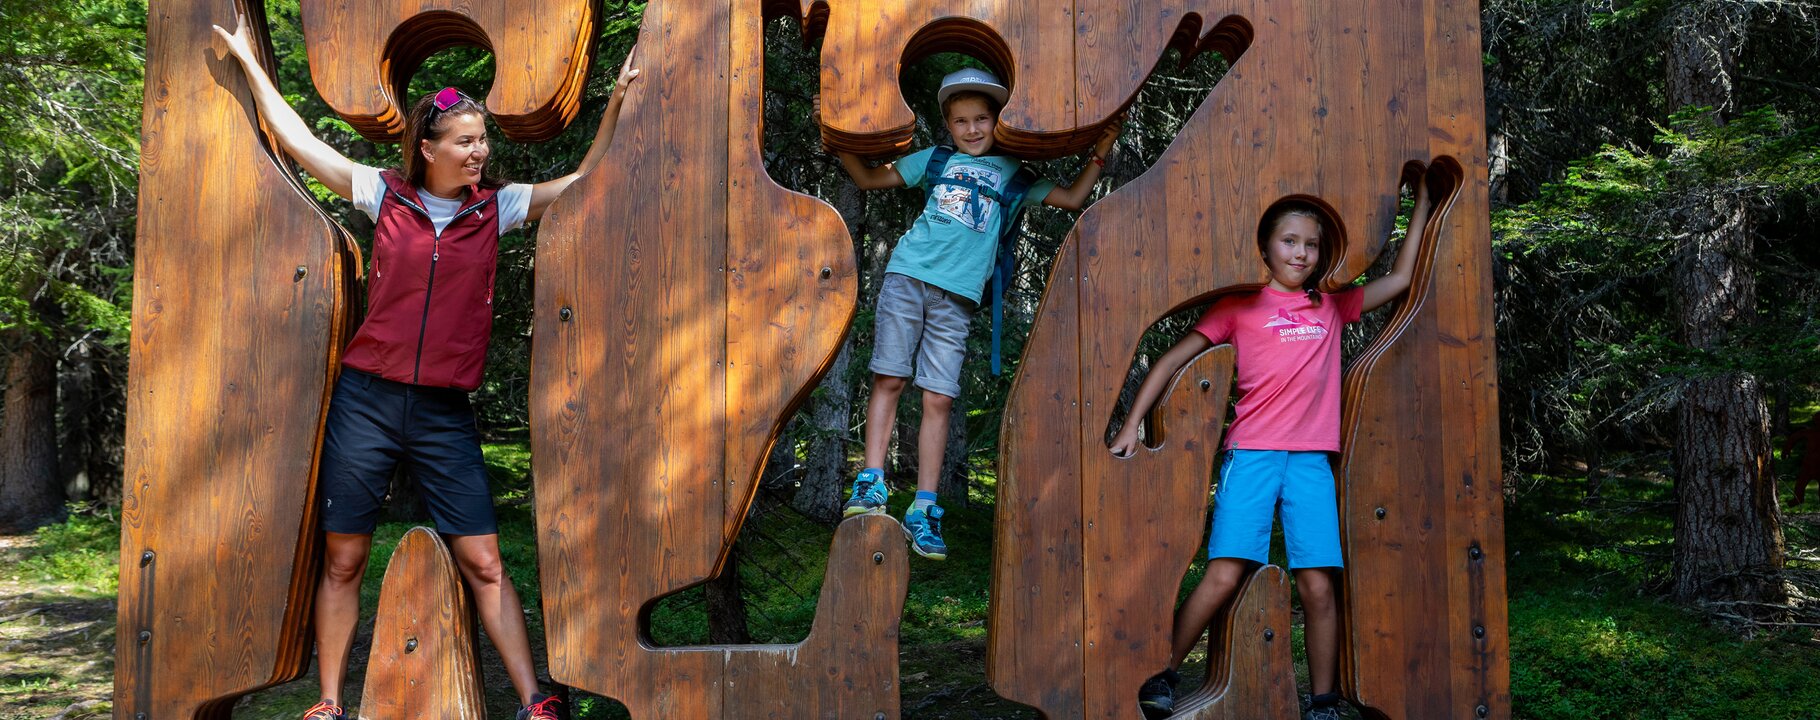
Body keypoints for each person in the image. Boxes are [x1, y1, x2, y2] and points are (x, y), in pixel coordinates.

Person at [212, 13, 638, 720]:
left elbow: (589, 181)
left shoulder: (496, 209)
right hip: (367, 401)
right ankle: (327, 703)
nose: (480, 151)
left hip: (442, 412)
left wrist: (618, 103)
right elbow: (297, 138)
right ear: (429, 146)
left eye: (483, 141)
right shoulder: (386, 196)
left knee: (485, 562)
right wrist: (248, 63)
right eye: (467, 141)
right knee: (344, 558)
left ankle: (536, 702)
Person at [1115, 177, 1438, 719]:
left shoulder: (1332, 305)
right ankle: (1163, 673)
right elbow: (1169, 360)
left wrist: (1421, 205)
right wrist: (1131, 425)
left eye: (1310, 245)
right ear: (1265, 245)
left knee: (1317, 582)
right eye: (1289, 241)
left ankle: (1323, 703)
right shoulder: (1238, 306)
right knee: (1225, 571)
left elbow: (1402, 278)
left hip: (1312, 462)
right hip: (1253, 456)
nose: (1301, 253)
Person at [816, 67, 1121, 561]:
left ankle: (924, 507)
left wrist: (1101, 153)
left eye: (982, 119)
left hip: (957, 297)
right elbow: (868, 178)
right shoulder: (933, 160)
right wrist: (835, 137)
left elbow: (1071, 198)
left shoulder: (1013, 173)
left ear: (999, 122)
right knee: (889, 379)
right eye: (961, 121)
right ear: (948, 124)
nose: (973, 129)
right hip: (908, 277)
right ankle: (871, 481)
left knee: (938, 398)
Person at [1787, 416, 1820, 506]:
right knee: (1801, 483)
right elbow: (1794, 437)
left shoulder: (1809, 432)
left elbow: (1795, 437)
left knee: (1801, 483)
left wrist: (1787, 449)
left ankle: (1798, 499)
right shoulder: (1809, 432)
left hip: (1814, 465)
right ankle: (1798, 499)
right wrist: (1786, 449)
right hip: (1808, 465)